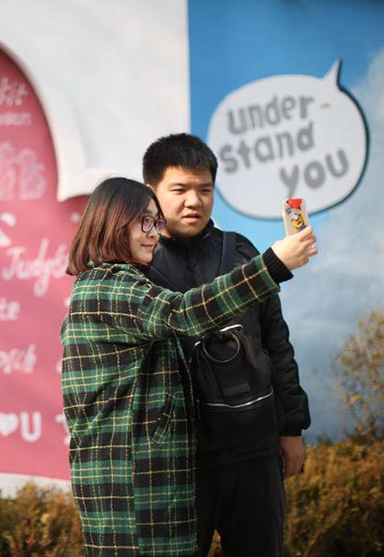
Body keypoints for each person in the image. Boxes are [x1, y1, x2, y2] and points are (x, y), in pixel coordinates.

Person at [61, 177, 316, 556]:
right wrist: (272, 265)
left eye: (155, 223)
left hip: (145, 490)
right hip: (134, 497)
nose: (153, 234)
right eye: (144, 222)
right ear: (113, 222)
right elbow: (183, 313)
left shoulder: (115, 284)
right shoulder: (108, 287)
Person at [142, 133, 311, 556]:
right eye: (179, 190)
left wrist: (291, 427)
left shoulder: (239, 251)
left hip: (254, 447)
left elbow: (276, 340)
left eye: (204, 189)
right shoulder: (137, 266)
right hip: (180, 458)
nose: (193, 201)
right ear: (151, 193)